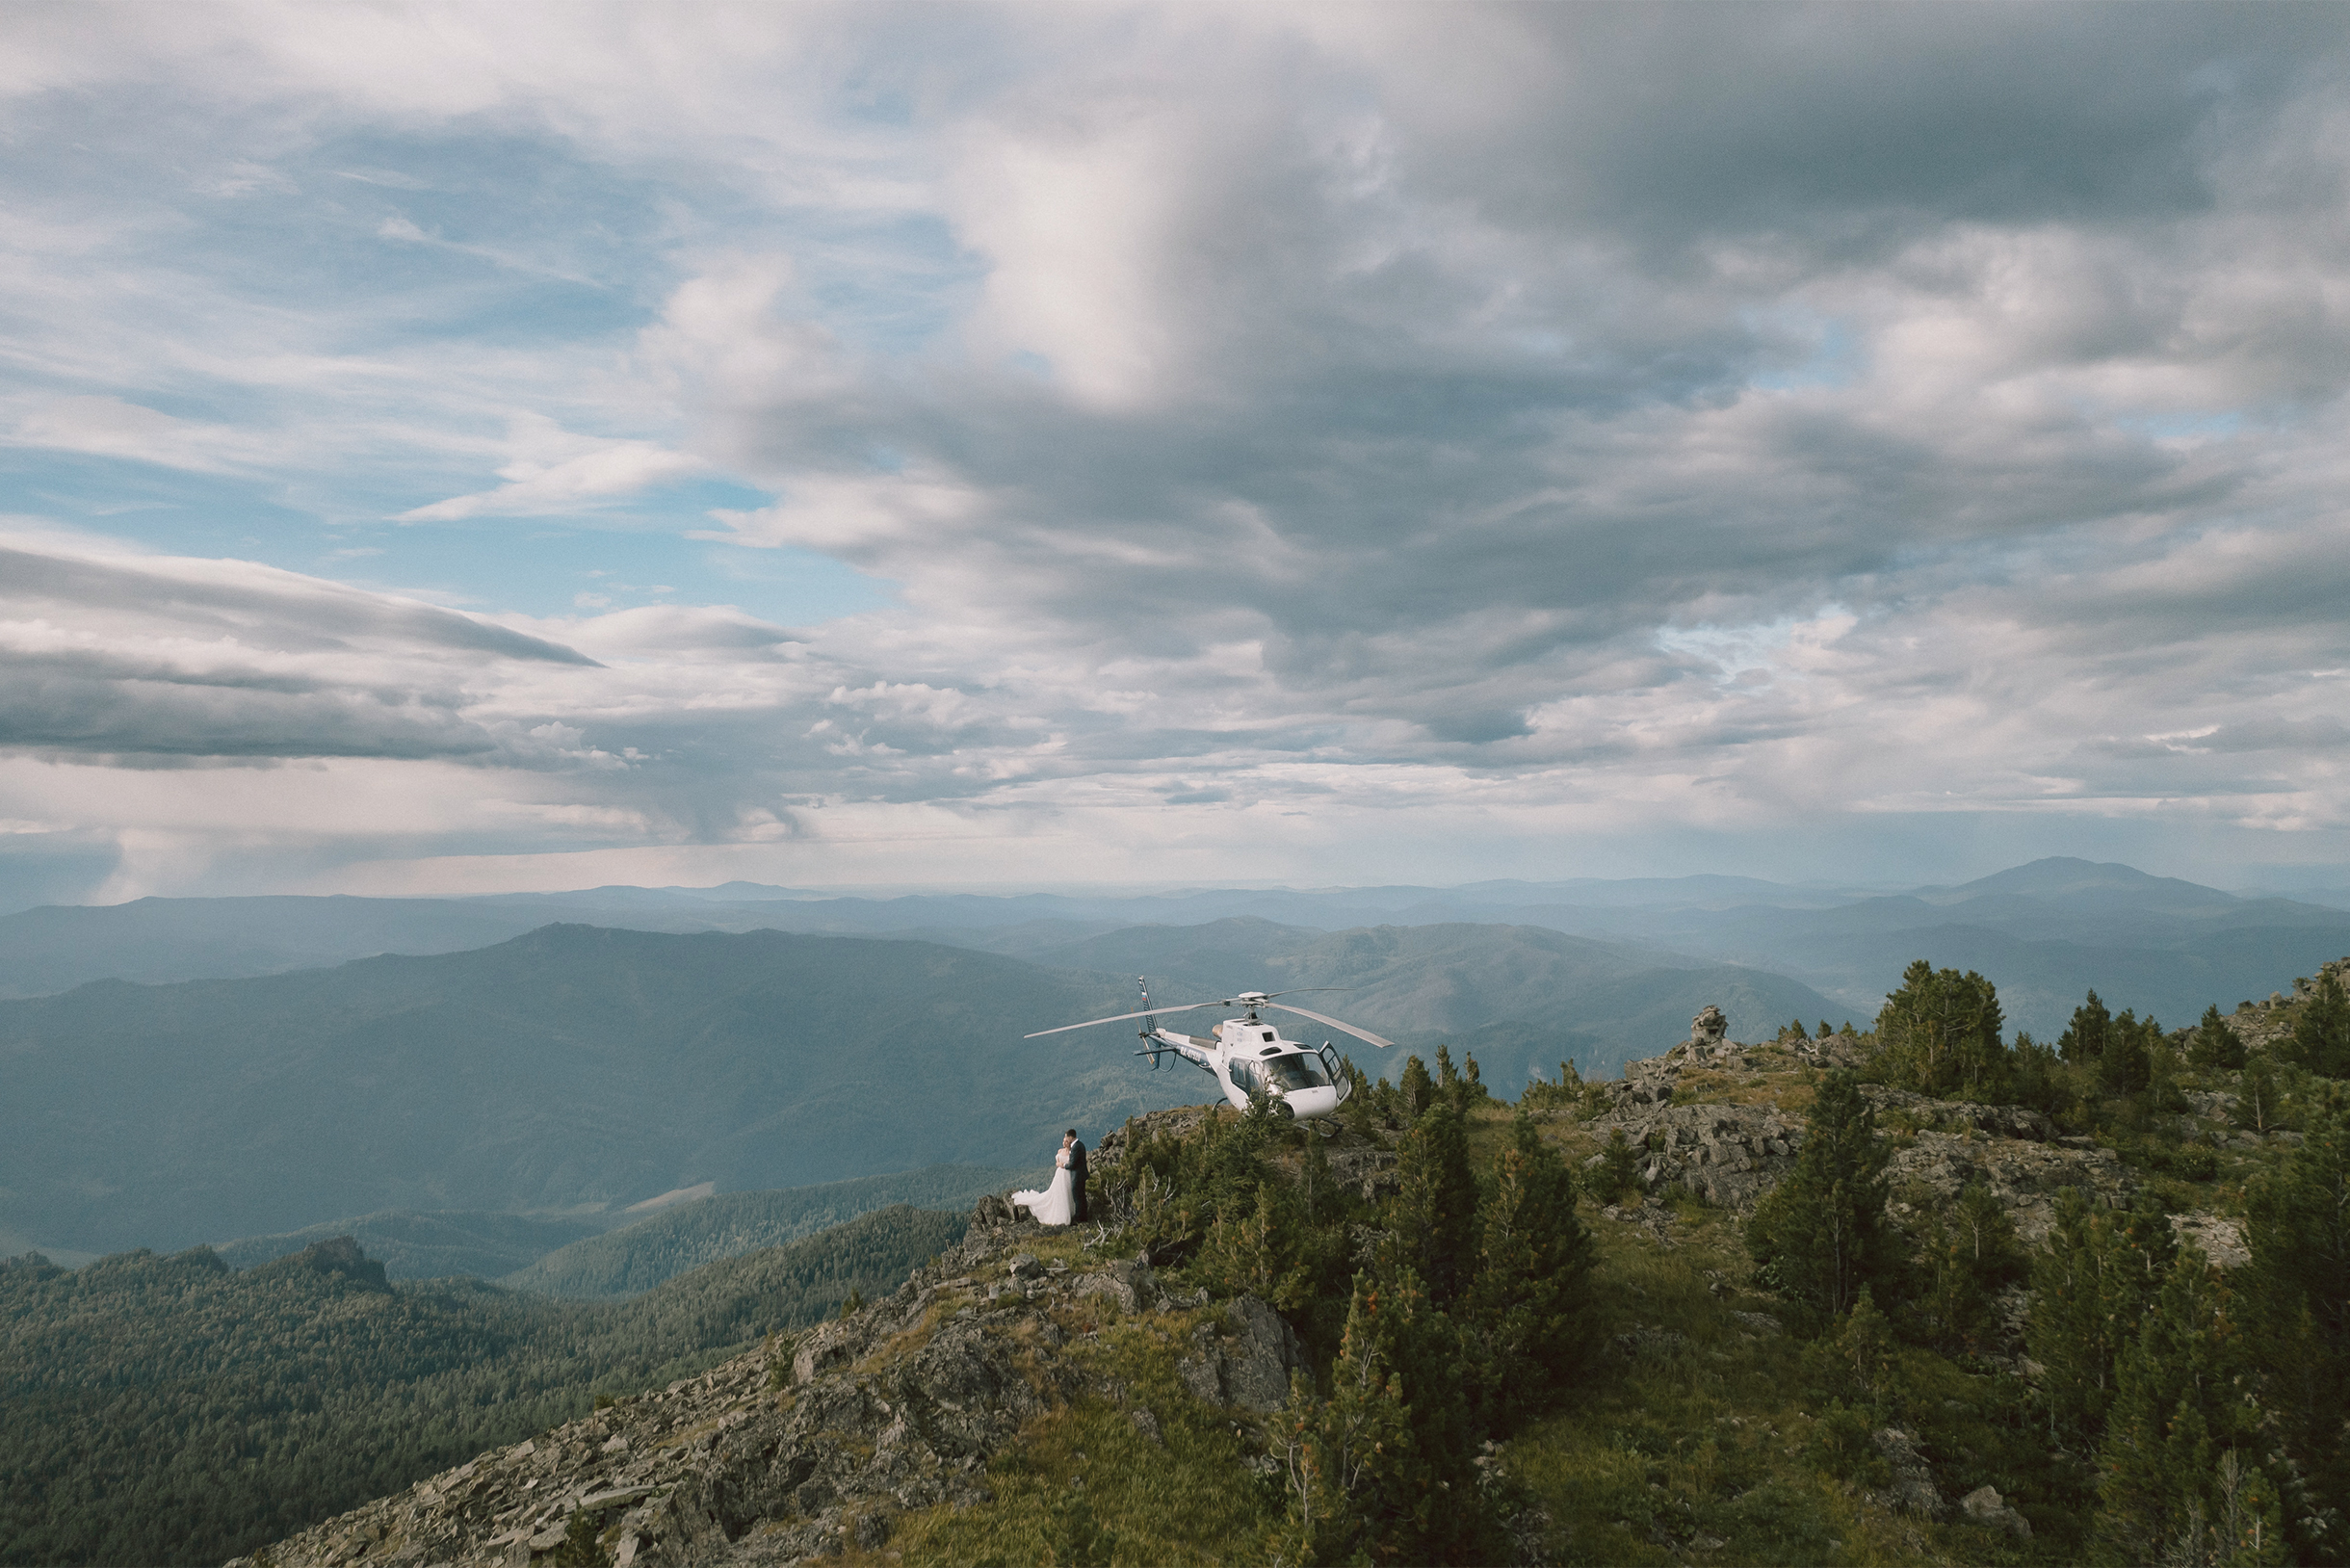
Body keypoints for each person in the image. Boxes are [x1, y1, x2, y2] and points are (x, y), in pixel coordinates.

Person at [1010, 1142, 1074, 1226]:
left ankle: (1066, 1212)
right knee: (1058, 1193)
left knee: (1066, 1193)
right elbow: (1057, 1163)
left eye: (1066, 1142)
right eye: (1064, 1141)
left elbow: (1072, 1163)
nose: (1064, 1143)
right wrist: (1060, 1165)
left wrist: (1064, 1165)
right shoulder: (1060, 1151)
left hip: (1067, 1174)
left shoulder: (1072, 1153)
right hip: (1059, 1174)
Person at [1065, 1128, 1089, 1223]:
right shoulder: (1080, 1145)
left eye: (1067, 1137)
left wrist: (1063, 1165)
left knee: (1078, 1197)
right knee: (1082, 1197)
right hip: (1081, 1175)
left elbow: (1072, 1164)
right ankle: (1083, 1216)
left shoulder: (1076, 1147)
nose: (1066, 1139)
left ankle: (1079, 1218)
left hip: (1077, 1176)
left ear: (1071, 1137)